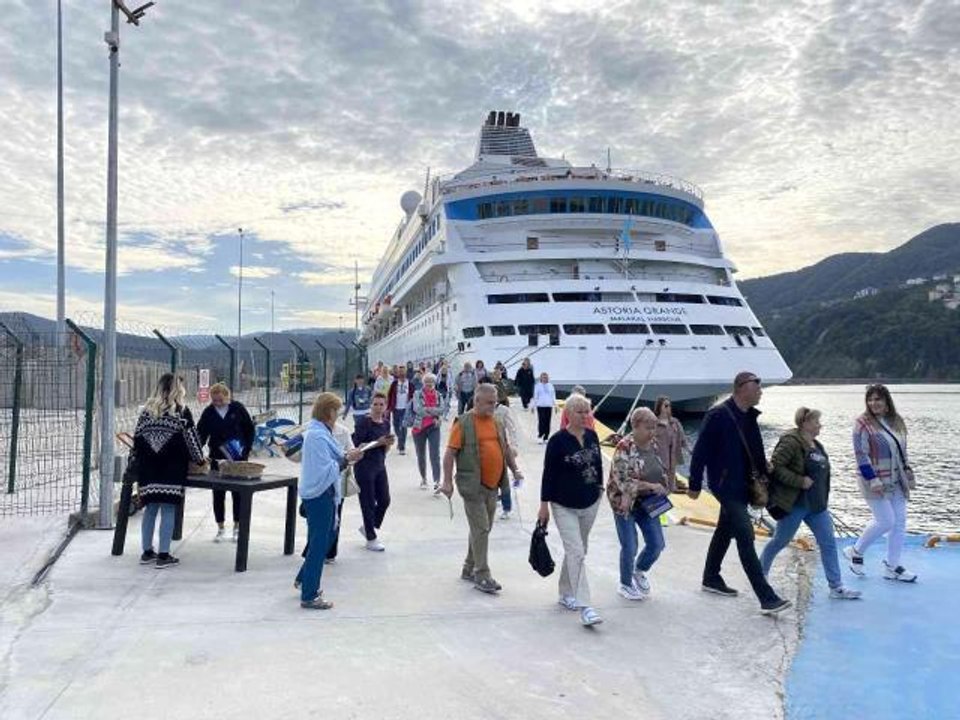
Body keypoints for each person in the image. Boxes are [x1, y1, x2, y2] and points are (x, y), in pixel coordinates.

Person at [688, 372, 792, 616]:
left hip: (745, 485)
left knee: (725, 529)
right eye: (757, 387)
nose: (761, 391)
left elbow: (754, 449)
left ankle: (711, 577)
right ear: (742, 388)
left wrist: (765, 470)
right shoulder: (718, 415)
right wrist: (694, 483)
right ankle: (766, 597)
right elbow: (700, 451)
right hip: (725, 486)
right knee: (745, 535)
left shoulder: (750, 417)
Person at [760, 408, 862, 599]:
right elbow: (776, 468)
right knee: (780, 541)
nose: (820, 425)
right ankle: (760, 573)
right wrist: (799, 481)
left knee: (828, 543)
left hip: (817, 506)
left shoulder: (817, 444)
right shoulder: (790, 442)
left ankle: (836, 586)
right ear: (805, 423)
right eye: (816, 422)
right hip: (795, 505)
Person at [440, 384, 524, 594]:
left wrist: (515, 470)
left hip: (493, 485)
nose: (493, 406)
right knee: (482, 529)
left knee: (482, 529)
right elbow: (450, 454)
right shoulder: (464, 423)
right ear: (477, 401)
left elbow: (505, 449)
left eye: (495, 402)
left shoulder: (496, 421)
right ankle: (482, 575)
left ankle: (468, 568)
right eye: (489, 402)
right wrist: (447, 482)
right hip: (472, 486)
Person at [537, 394, 604, 627]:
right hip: (563, 504)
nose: (585, 416)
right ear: (568, 414)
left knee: (579, 549)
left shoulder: (593, 436)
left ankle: (565, 592)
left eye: (588, 411)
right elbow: (548, 474)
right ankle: (585, 606)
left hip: (590, 501)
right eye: (580, 412)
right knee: (576, 551)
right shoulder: (557, 441)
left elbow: (598, 465)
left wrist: (600, 489)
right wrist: (543, 505)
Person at [295, 393, 363, 609]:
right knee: (319, 543)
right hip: (319, 494)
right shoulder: (316, 436)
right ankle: (309, 594)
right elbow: (324, 468)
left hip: (323, 493)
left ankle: (303, 579)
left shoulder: (321, 433)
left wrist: (346, 455)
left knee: (328, 536)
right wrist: (345, 460)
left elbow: (332, 457)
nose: (338, 415)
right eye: (336, 411)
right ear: (329, 412)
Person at [844, 384, 917, 582]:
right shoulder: (862, 423)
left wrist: (908, 471)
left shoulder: (896, 421)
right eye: (871, 399)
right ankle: (856, 551)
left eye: (878, 399)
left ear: (887, 401)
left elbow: (903, 450)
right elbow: (861, 455)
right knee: (886, 521)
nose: (874, 403)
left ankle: (892, 566)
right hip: (874, 479)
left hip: (896, 477)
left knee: (899, 522)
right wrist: (872, 479)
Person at [134, 373, 206, 569]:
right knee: (168, 509)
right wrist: (200, 460)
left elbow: (137, 440)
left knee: (150, 509)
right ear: (177, 390)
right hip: (172, 469)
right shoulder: (181, 412)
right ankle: (164, 555)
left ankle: (147, 552)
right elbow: (192, 441)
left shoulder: (146, 412)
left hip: (148, 468)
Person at [606, 407, 669, 601]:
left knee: (657, 544)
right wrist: (649, 485)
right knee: (630, 545)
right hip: (625, 502)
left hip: (649, 502)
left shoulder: (654, 445)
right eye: (648, 428)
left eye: (654, 428)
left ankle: (639, 569)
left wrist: (664, 485)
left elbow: (660, 469)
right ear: (635, 427)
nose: (652, 432)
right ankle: (625, 584)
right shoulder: (624, 447)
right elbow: (622, 478)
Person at [196, 383, 255, 543]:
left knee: (238, 493)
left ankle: (237, 527)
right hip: (217, 457)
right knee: (218, 494)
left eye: (220, 400)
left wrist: (247, 449)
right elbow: (200, 434)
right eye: (215, 401)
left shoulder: (238, 408)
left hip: (237, 457)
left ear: (227, 396)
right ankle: (220, 528)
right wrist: (196, 453)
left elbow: (249, 429)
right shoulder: (208, 412)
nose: (218, 403)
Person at [352, 393, 395, 551]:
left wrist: (388, 444)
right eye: (375, 404)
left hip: (379, 465)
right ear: (371, 405)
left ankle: (369, 526)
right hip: (364, 466)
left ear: (385, 407)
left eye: (381, 405)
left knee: (384, 500)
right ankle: (371, 537)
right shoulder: (364, 423)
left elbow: (386, 447)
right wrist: (378, 443)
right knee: (368, 502)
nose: (378, 408)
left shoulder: (386, 423)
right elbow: (358, 445)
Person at [411, 373, 445, 491]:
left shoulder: (439, 395)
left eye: (431, 382)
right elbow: (418, 409)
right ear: (423, 383)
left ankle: (437, 481)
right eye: (427, 382)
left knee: (435, 454)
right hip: (419, 427)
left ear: (435, 383)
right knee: (421, 454)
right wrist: (434, 413)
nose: (429, 384)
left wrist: (428, 410)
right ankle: (424, 478)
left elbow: (442, 409)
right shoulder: (417, 394)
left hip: (434, 427)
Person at [492, 388, 521, 520]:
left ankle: (506, 507)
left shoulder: (503, 410)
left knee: (503, 480)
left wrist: (514, 445)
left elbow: (512, 428)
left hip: (502, 447)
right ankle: (492, 500)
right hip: (486, 451)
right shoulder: (480, 410)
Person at [653, 395, 689, 492]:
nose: (668, 408)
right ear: (659, 406)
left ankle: (673, 487)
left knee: (672, 470)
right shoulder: (654, 423)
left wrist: (689, 449)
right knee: (660, 475)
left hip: (672, 452)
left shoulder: (674, 422)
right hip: (659, 454)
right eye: (665, 405)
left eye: (669, 405)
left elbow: (682, 437)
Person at [386, 365, 412, 455]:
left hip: (406, 409)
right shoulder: (394, 384)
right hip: (396, 408)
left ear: (406, 372)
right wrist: (388, 408)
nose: (401, 373)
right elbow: (389, 396)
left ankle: (402, 447)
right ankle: (400, 440)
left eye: (403, 371)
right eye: (399, 372)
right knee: (396, 426)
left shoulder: (410, 384)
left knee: (403, 427)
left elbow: (413, 396)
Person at [533, 372, 557, 443]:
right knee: (541, 421)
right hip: (540, 406)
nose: (545, 379)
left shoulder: (551, 386)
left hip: (548, 406)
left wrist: (555, 405)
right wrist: (533, 405)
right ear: (541, 378)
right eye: (543, 377)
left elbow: (553, 396)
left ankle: (546, 436)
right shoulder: (538, 386)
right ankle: (540, 435)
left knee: (547, 421)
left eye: (546, 377)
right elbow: (536, 396)